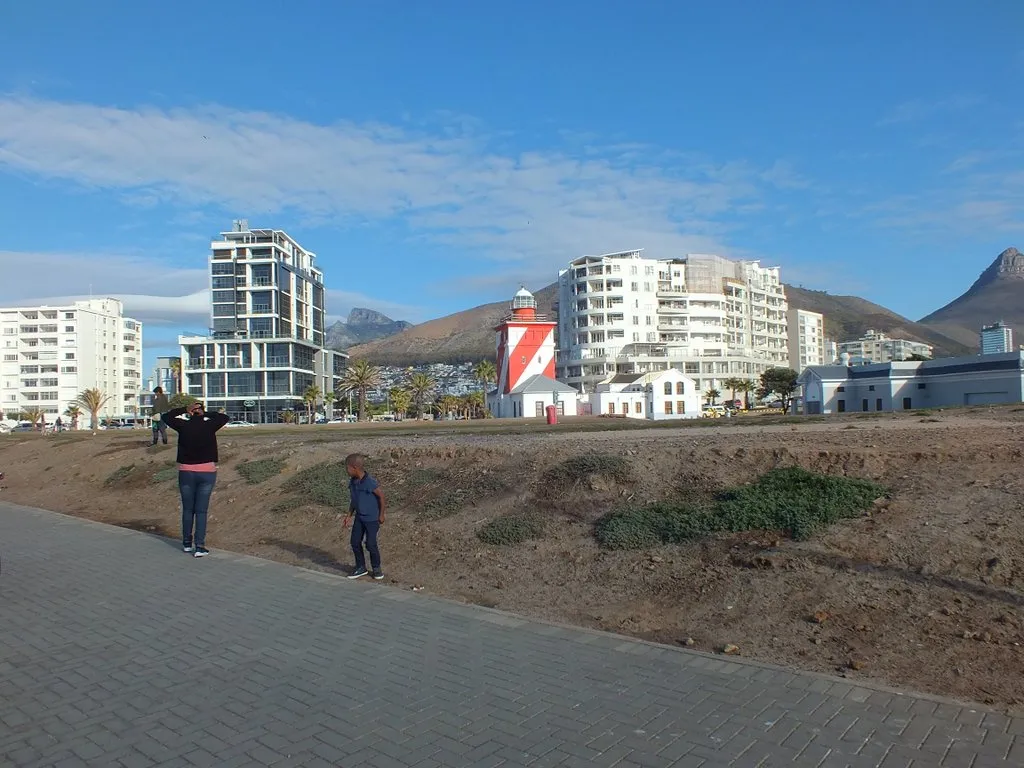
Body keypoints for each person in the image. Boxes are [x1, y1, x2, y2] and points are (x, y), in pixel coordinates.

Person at [162, 401, 229, 557]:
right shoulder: (210, 425)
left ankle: (186, 543)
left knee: (188, 509)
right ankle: (199, 546)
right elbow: (224, 417)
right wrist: (205, 414)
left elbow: (166, 416)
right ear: (201, 412)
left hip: (186, 472)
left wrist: (184, 409)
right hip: (206, 472)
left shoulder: (183, 426)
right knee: (201, 511)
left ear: (190, 413)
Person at [343, 453, 386, 580]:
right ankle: (361, 567)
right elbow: (354, 500)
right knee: (355, 542)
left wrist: (381, 514)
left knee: (370, 544)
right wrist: (349, 515)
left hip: (372, 519)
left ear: (354, 467)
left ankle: (377, 568)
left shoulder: (369, 482)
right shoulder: (353, 482)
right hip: (359, 518)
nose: (346, 471)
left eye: (347, 468)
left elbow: (381, 497)